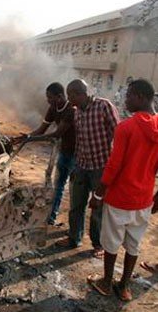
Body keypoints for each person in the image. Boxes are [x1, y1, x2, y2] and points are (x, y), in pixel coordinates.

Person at [87, 79, 158, 301]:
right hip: (144, 199)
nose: (125, 100)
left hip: (119, 199)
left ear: (140, 96)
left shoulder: (126, 127)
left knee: (111, 242)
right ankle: (124, 287)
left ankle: (107, 283)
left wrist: (98, 194)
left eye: (128, 95)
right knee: (133, 244)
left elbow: (113, 166)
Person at [57, 79, 119, 258]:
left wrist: (113, 166)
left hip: (101, 167)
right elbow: (80, 142)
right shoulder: (77, 112)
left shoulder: (103, 106)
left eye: (70, 96)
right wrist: (76, 166)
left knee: (98, 209)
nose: (69, 99)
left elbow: (119, 135)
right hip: (81, 166)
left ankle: (98, 243)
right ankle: (74, 237)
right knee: (76, 205)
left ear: (79, 93)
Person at [15, 82, 76, 225]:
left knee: (74, 191)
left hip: (77, 154)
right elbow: (42, 129)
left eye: (50, 97)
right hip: (63, 151)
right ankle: (51, 216)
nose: (48, 100)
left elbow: (56, 134)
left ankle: (72, 227)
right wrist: (28, 137)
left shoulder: (70, 110)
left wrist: (32, 138)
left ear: (60, 96)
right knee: (58, 185)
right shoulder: (53, 108)